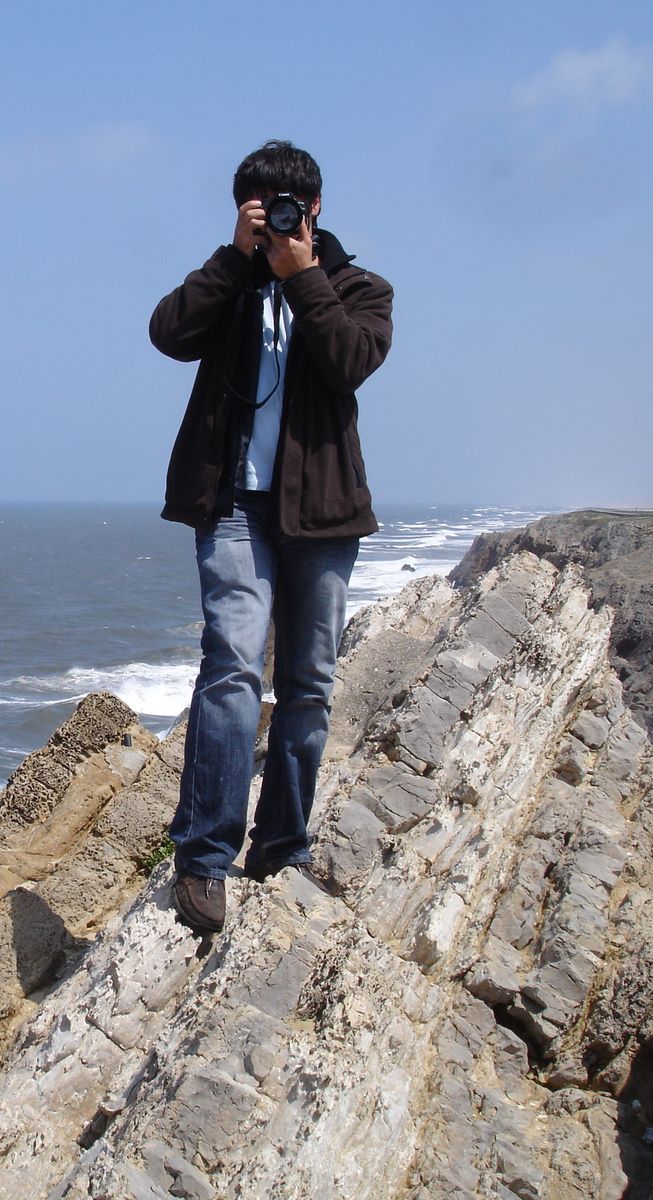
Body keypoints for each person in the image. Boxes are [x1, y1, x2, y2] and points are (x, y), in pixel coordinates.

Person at [149, 140, 393, 934]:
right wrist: (235, 259)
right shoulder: (229, 285)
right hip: (231, 505)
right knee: (231, 668)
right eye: (260, 211)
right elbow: (167, 333)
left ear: (314, 209)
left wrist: (302, 276)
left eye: (287, 210)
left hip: (322, 513)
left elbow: (351, 360)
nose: (278, 222)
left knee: (309, 684)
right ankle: (204, 856)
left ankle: (281, 845)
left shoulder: (358, 288)